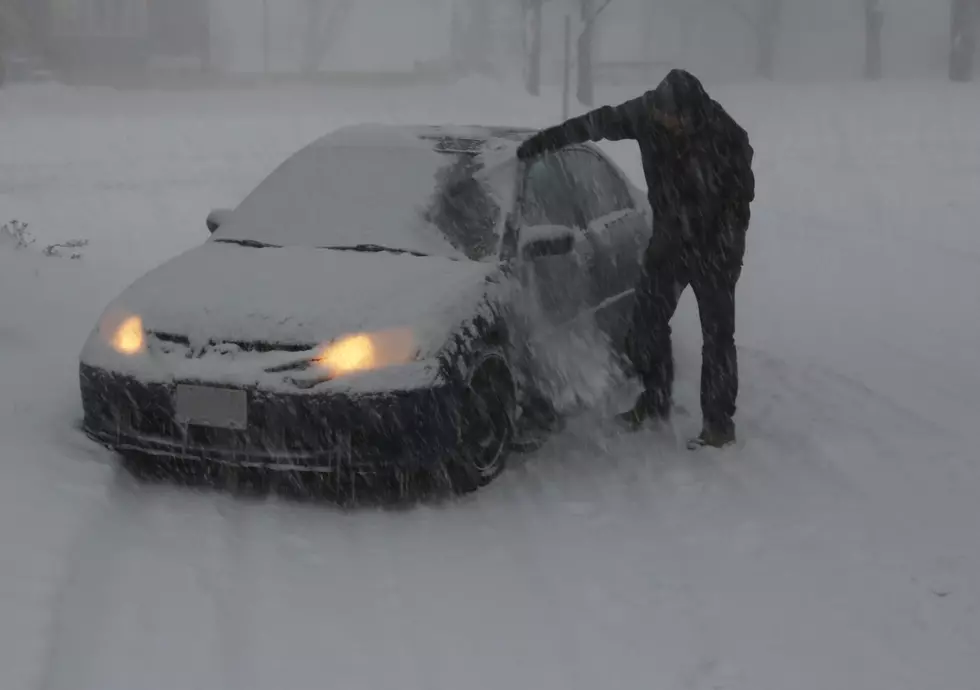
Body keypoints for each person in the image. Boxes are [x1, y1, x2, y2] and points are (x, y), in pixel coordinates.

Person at [516, 69, 755, 449]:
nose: (665, 122)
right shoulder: (646, 113)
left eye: (672, 117)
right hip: (670, 244)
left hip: (714, 251)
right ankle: (654, 398)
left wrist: (728, 257)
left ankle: (718, 424)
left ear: (691, 113)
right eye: (661, 116)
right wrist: (548, 141)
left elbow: (738, 207)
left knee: (718, 338)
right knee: (645, 326)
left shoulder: (727, 136)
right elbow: (598, 123)